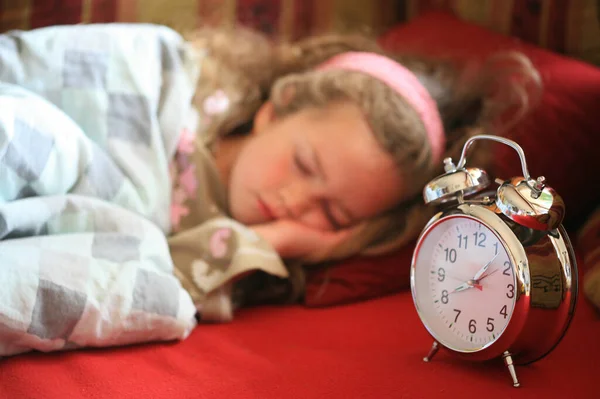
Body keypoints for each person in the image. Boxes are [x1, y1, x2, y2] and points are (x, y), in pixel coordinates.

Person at [168, 27, 542, 311]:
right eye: (304, 164)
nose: (295, 203)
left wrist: (271, 242)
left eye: (332, 213)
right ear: (278, 107)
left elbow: (158, 291)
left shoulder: (245, 268)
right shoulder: (174, 96)